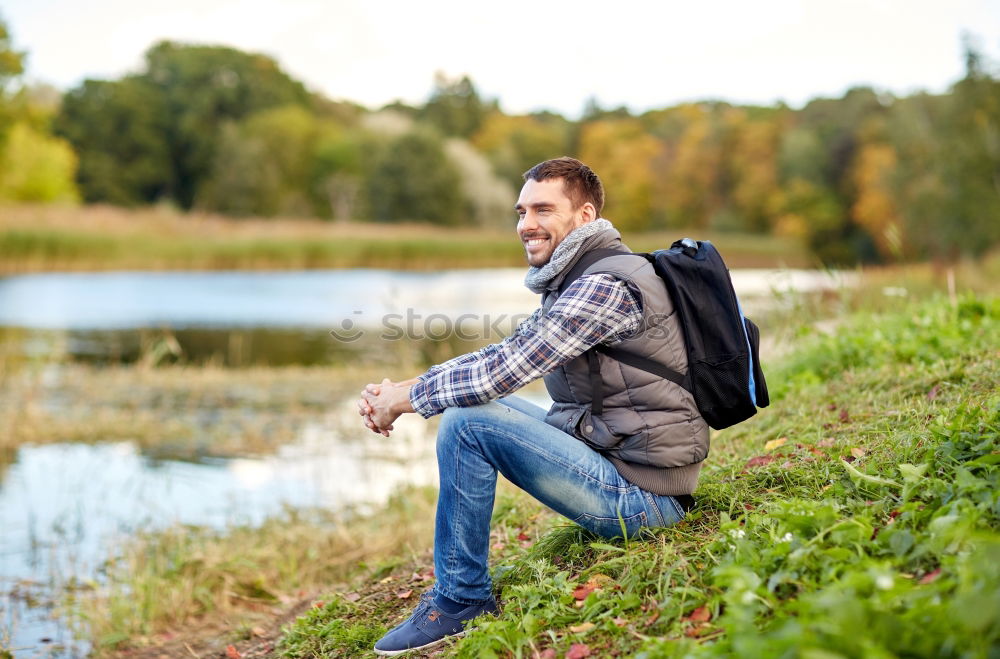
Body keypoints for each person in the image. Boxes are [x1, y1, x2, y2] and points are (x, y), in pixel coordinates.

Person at [357, 157, 708, 656]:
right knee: (482, 406)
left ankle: (460, 600)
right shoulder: (581, 276)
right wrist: (406, 387)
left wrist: (404, 400)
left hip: (646, 499)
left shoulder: (603, 286)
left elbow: (507, 367)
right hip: (625, 464)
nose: (527, 224)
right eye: (521, 212)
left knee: (467, 423)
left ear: (585, 216)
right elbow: (501, 356)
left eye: (543, 209)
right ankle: (461, 593)